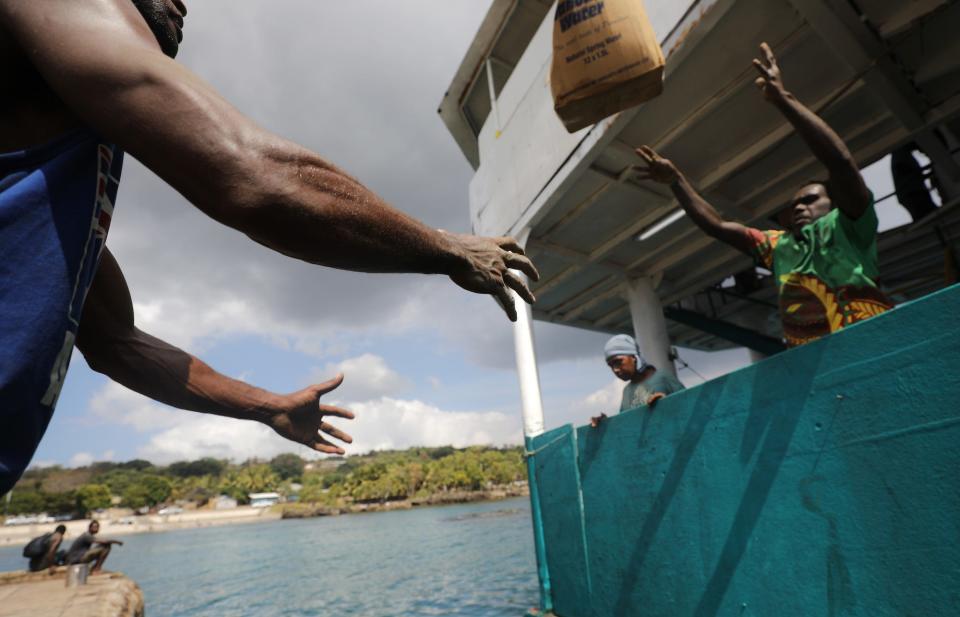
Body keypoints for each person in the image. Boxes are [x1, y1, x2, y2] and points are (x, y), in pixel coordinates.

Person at [0, 1, 540, 494]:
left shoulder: (50, 189)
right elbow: (258, 179)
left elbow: (116, 342)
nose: (182, 5)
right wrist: (448, 249)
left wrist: (268, 408)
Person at [634, 43, 894, 348]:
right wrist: (677, 181)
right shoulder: (778, 247)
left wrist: (783, 101)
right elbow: (717, 225)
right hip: (810, 369)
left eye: (810, 200)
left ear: (833, 203)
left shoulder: (850, 225)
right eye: (794, 204)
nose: (799, 207)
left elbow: (841, 163)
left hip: (874, 347)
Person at [590, 334, 685, 427]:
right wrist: (605, 424)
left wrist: (666, 403)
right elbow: (625, 425)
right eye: (611, 366)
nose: (615, 370)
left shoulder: (663, 377)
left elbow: (689, 406)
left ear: (634, 358)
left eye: (618, 362)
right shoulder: (627, 391)